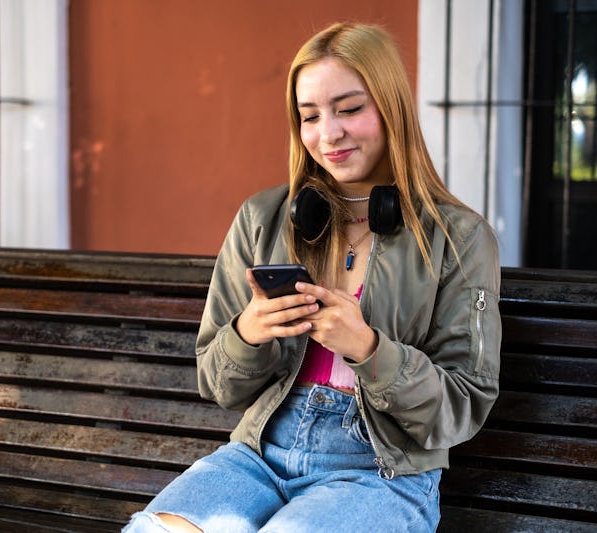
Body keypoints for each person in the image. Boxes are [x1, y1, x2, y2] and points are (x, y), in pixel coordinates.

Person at [123, 21, 501, 533]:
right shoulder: (264, 218)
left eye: (349, 109)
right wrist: (247, 334)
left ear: (391, 108)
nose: (329, 133)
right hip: (259, 454)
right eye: (310, 116)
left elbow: (462, 405)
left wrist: (369, 349)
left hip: (380, 473)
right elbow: (215, 382)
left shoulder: (459, 238)